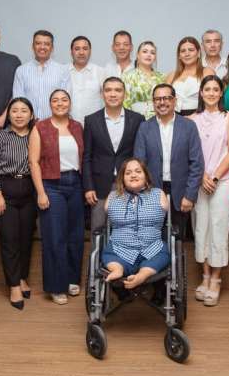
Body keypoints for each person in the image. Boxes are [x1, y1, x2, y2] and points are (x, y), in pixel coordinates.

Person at [29, 89, 85, 305]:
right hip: (52, 186)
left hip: (76, 184)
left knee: (75, 236)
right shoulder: (40, 127)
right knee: (55, 238)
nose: (60, 103)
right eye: (55, 100)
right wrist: (41, 192)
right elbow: (34, 162)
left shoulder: (77, 127)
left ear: (70, 103)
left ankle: (71, 279)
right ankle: (56, 286)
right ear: (50, 104)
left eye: (64, 100)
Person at [189, 76, 229, 307]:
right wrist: (202, 177)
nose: (211, 93)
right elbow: (189, 153)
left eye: (215, 89)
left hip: (223, 181)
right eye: (207, 89)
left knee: (219, 227)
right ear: (201, 93)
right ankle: (205, 276)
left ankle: (216, 279)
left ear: (221, 94)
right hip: (198, 180)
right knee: (200, 227)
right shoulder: (191, 120)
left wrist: (215, 176)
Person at [133, 84, 204, 238]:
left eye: (166, 98)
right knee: (152, 238)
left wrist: (190, 195)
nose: (162, 102)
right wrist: (143, 193)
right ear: (153, 102)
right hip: (151, 192)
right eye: (158, 99)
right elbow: (139, 163)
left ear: (174, 101)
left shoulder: (189, 126)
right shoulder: (144, 127)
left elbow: (197, 164)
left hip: (181, 193)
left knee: (176, 239)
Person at [0, 98, 37, 308]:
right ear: (8, 115)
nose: (19, 114)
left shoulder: (36, 135)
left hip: (29, 190)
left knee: (26, 239)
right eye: (14, 110)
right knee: (9, 240)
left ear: (31, 115)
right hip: (6, 189)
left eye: (24, 110)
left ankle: (22, 277)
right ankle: (14, 285)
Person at [82, 77, 145, 230]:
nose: (113, 94)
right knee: (98, 228)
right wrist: (88, 187)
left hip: (128, 183)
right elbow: (87, 157)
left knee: (128, 228)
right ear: (102, 94)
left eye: (118, 90)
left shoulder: (137, 119)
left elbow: (140, 155)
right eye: (108, 90)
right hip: (99, 186)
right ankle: (98, 249)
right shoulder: (91, 120)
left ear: (125, 94)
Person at [102, 158, 172, 289]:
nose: (133, 175)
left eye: (138, 171)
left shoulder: (158, 194)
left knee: (163, 255)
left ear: (146, 176)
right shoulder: (112, 196)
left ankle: (141, 276)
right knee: (108, 255)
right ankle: (118, 270)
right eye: (128, 173)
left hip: (152, 248)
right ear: (122, 178)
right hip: (119, 249)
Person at [12, 30, 69, 119]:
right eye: (38, 43)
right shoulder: (21, 70)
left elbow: (65, 102)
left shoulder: (62, 71)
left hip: (54, 124)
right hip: (28, 124)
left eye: (47, 44)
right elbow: (18, 102)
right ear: (32, 46)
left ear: (52, 48)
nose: (42, 47)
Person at [166, 36, 216, 116]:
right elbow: (166, 101)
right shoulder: (171, 76)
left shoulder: (207, 72)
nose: (187, 54)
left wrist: (193, 117)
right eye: (183, 51)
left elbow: (214, 99)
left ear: (198, 53)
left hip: (201, 116)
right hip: (175, 118)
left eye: (191, 50)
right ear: (179, 56)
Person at [67, 36, 106, 123]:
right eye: (77, 49)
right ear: (71, 52)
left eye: (85, 49)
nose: (81, 52)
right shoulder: (63, 72)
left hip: (94, 125)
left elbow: (108, 98)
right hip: (68, 125)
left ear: (90, 51)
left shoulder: (100, 72)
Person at [122, 40, 165, 118]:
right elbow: (125, 103)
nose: (149, 55)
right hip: (135, 119)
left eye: (152, 53)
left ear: (155, 57)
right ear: (138, 55)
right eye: (145, 52)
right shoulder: (127, 76)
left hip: (159, 118)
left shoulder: (161, 77)